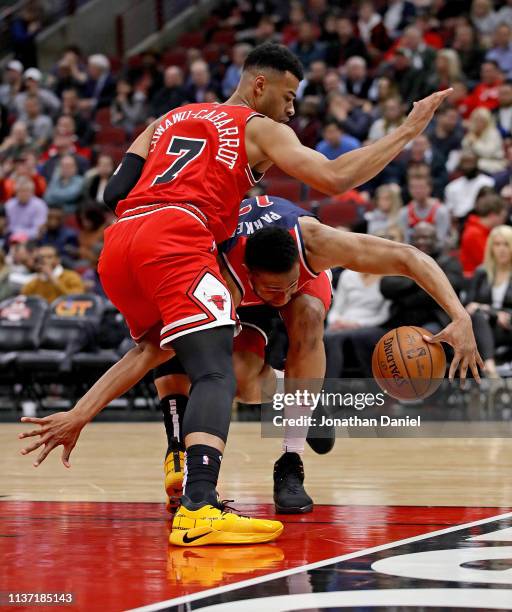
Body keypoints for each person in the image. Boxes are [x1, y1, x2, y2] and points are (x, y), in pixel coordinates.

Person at [19, 44, 480, 548]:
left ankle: (274, 451)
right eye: (287, 97)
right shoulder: (257, 127)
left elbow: (113, 194)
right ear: (259, 86)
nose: (291, 110)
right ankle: (200, 505)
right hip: (183, 238)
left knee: (204, 339)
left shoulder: (170, 116)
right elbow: (335, 177)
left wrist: (79, 411)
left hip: (122, 245)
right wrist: (410, 130)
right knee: (218, 372)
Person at [466, 225, 512, 378]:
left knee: (479, 316)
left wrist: (487, 309)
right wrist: (494, 313)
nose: (501, 249)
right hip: (485, 325)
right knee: (477, 317)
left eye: (506, 244)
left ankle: (487, 366)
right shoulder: (481, 272)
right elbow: (469, 305)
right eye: (497, 244)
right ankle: (490, 367)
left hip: (507, 326)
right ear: (491, 247)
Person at [460, 193, 507, 278]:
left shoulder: (484, 231)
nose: (503, 221)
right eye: (502, 217)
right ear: (493, 215)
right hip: (476, 281)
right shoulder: (474, 233)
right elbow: (489, 260)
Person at [398, 175, 450, 245]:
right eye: (414, 187)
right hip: (412, 251)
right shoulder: (404, 212)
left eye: (421, 187)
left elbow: (441, 238)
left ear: (430, 188)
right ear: (409, 189)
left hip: (435, 251)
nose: (418, 191)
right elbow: (405, 240)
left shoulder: (441, 211)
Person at [444, 151, 495, 222]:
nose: (467, 166)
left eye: (470, 162)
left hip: (480, 220)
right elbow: (449, 210)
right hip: (459, 221)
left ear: (476, 162)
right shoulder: (452, 186)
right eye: (464, 163)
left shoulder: (488, 182)